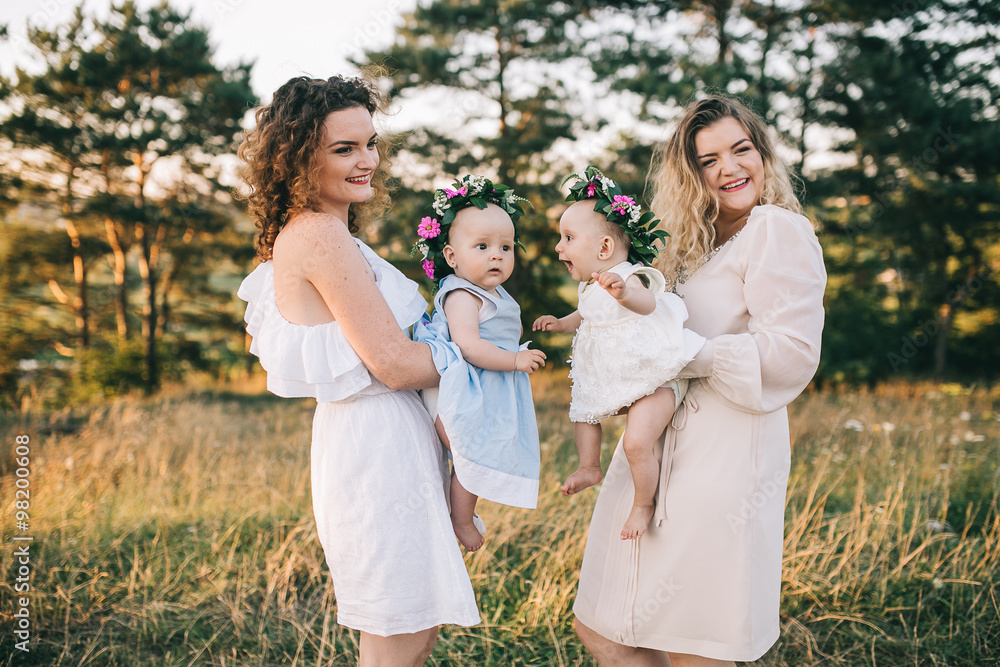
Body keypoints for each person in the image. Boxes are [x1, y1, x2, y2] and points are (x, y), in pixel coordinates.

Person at [571, 96, 827, 666]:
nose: (729, 168)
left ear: (763, 155)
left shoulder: (776, 230)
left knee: (693, 643)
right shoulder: (692, 244)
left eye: (741, 150)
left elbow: (791, 354)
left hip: (728, 457)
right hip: (659, 447)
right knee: (609, 629)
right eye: (709, 160)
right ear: (692, 175)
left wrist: (684, 354)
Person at [235, 75, 479, 666]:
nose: (366, 160)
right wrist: (493, 362)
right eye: (344, 149)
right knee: (396, 631)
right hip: (376, 452)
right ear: (298, 159)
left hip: (387, 440)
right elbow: (394, 364)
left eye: (369, 143)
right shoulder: (318, 234)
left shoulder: (322, 231)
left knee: (415, 627)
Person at [532, 166, 705, 540]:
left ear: (605, 248)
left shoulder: (629, 276)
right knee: (582, 412)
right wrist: (560, 323)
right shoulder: (591, 287)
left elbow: (646, 303)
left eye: (568, 238)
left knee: (636, 442)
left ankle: (643, 505)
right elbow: (586, 315)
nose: (559, 247)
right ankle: (588, 466)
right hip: (616, 378)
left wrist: (624, 293)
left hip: (655, 379)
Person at [411, 175, 546, 552]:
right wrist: (515, 359)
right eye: (482, 246)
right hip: (457, 386)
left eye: (506, 246)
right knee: (470, 451)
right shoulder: (461, 294)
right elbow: (469, 346)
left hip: (481, 385)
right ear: (452, 257)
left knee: (480, 449)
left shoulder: (492, 293)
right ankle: (461, 520)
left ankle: (461, 513)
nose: (496, 255)